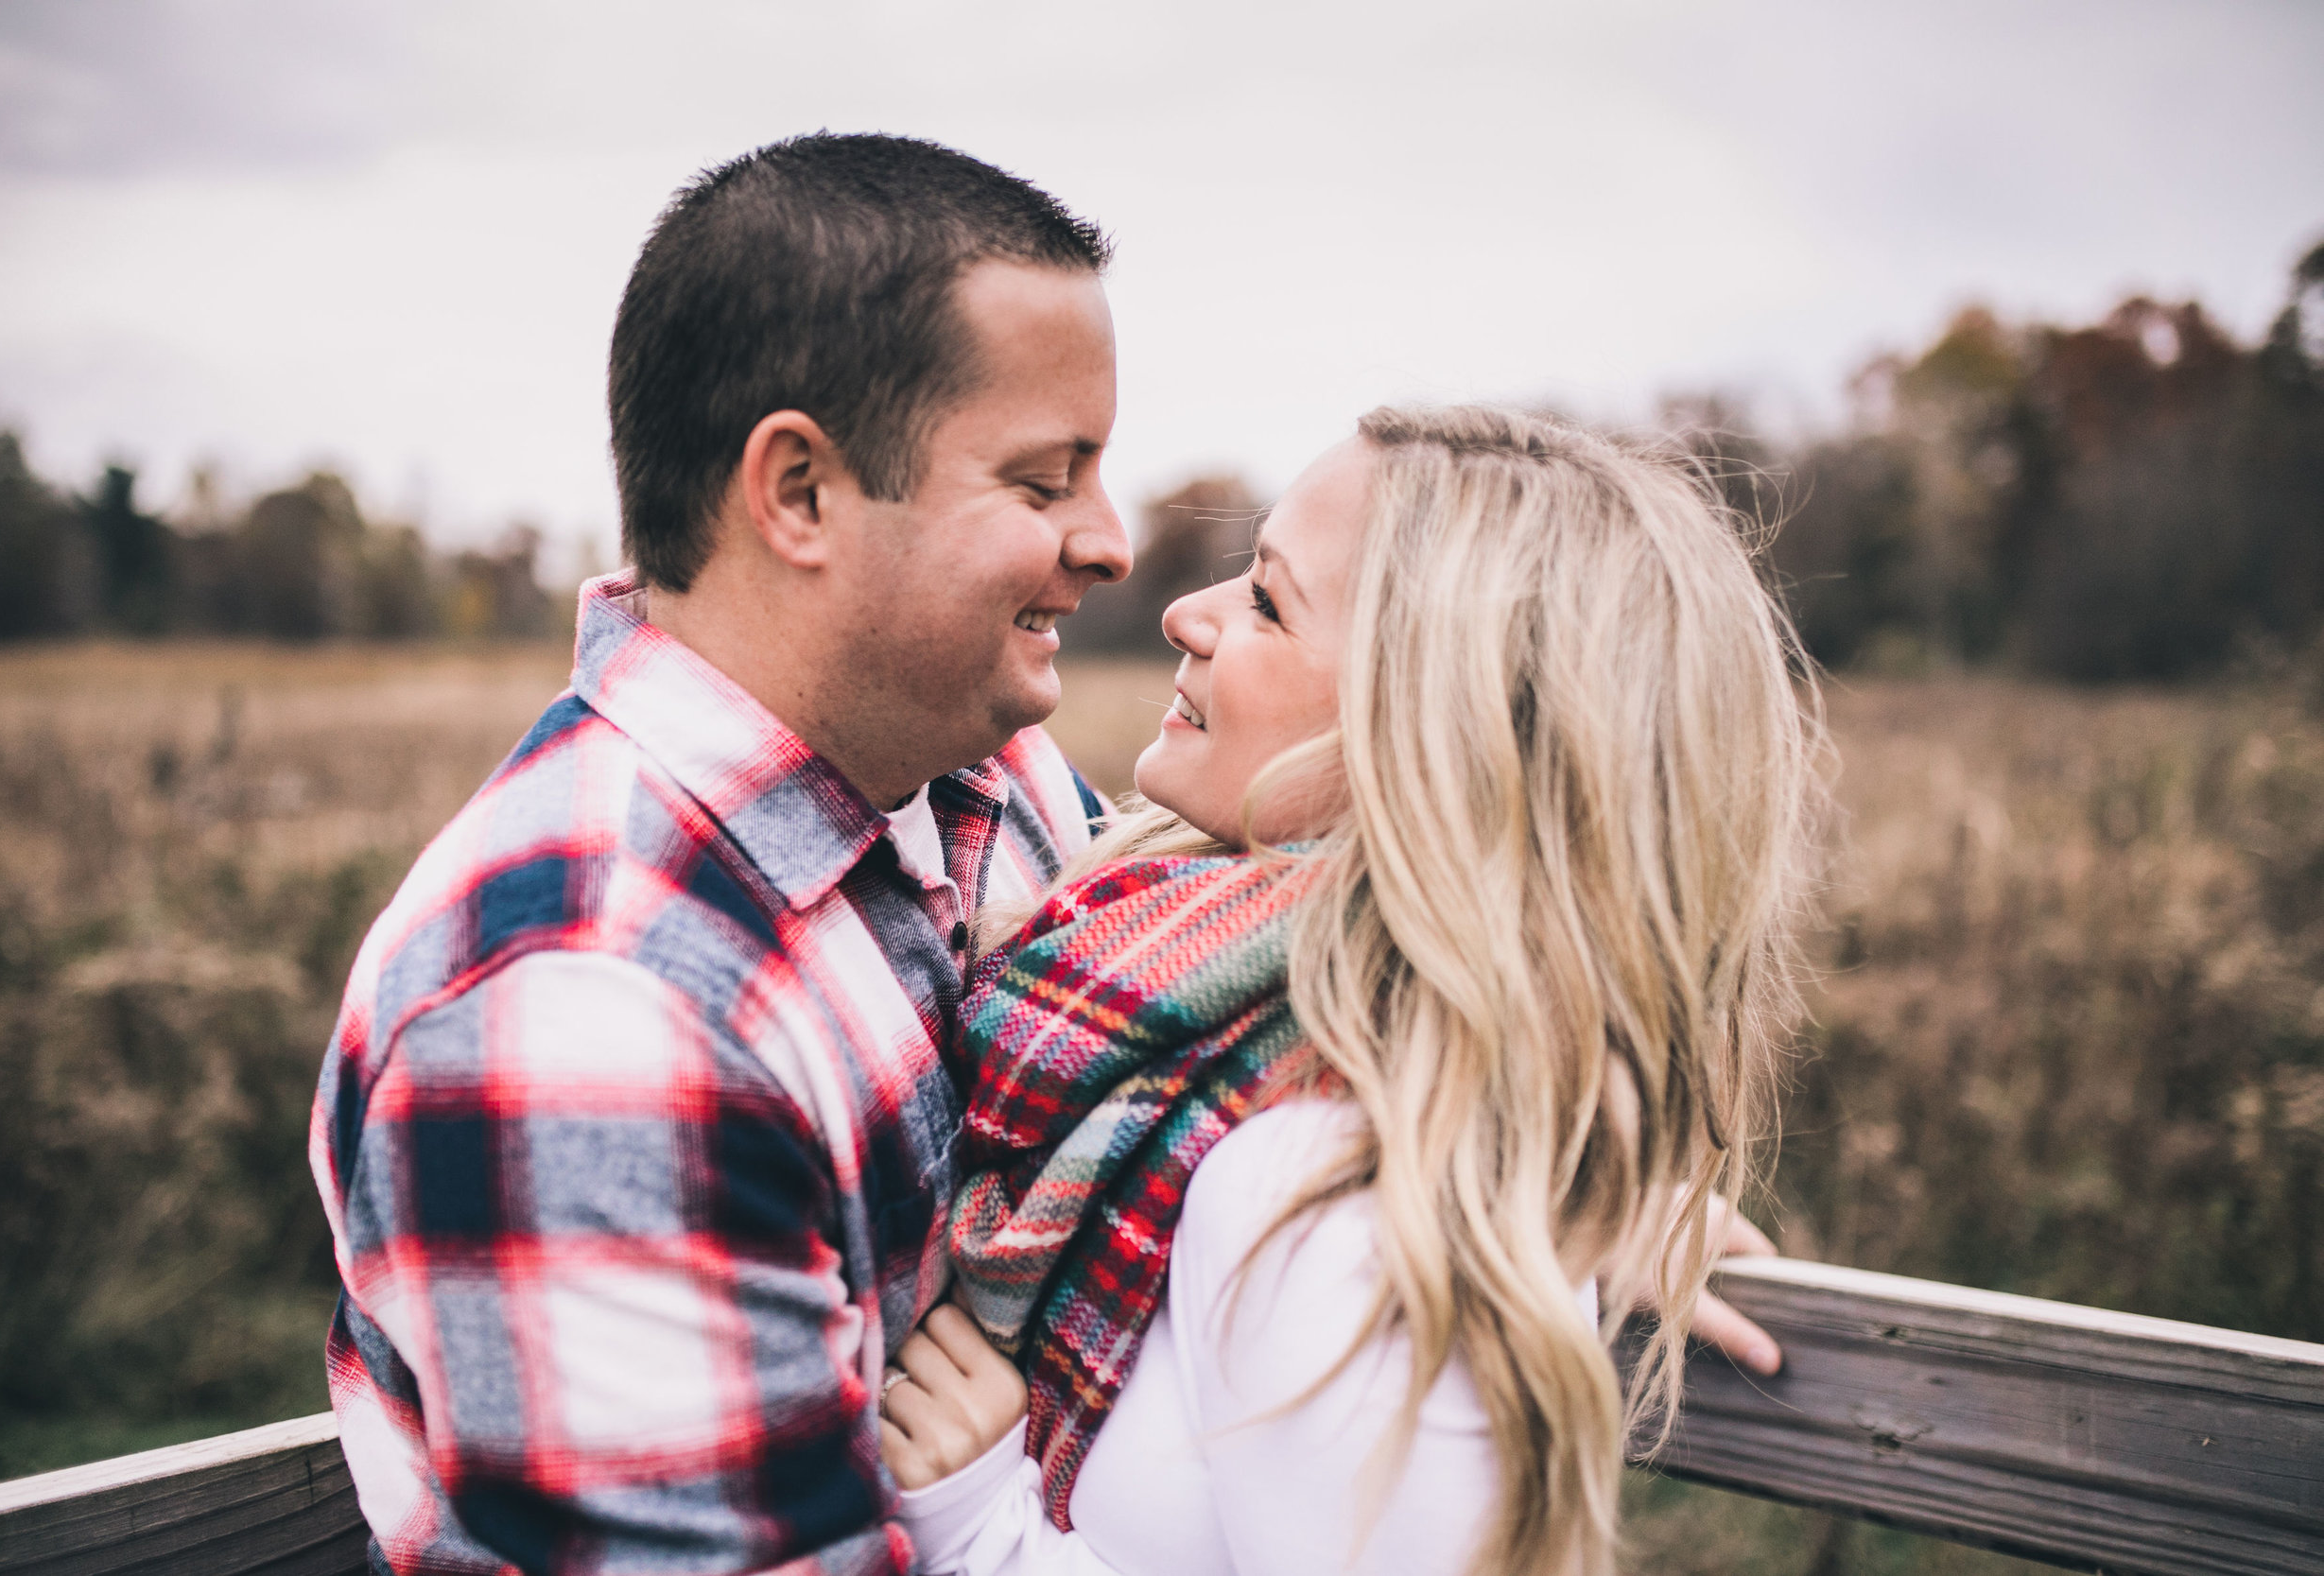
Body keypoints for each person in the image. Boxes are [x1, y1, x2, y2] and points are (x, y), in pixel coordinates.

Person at [308, 133, 1133, 1574]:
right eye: (1044, 480)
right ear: (799, 491)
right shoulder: (583, 1009)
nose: (1110, 541)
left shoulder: (985, 777)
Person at [876, 406, 1823, 1575]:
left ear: (1436, 733)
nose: (1189, 611)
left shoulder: (1347, 1209)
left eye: (1269, 602)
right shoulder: (1187, 1000)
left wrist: (983, 1528)